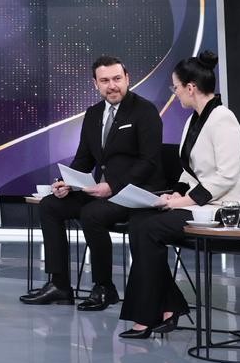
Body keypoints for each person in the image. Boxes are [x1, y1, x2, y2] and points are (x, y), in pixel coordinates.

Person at [117, 50, 240, 338]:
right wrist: (174, 195)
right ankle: (168, 306)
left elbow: (226, 176)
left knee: (149, 228)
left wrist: (184, 201)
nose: (175, 92)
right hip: (203, 205)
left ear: (190, 88)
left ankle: (150, 315)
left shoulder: (223, 119)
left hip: (228, 210)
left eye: (176, 87)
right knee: (139, 222)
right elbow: (190, 171)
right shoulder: (195, 120)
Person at [22, 56, 164, 310]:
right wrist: (66, 182)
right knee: (50, 205)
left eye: (117, 79)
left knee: (92, 214)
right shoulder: (93, 113)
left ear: (127, 79)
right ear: (95, 84)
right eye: (105, 80)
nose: (112, 86)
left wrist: (113, 186)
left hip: (135, 193)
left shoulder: (145, 111)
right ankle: (59, 285)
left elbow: (149, 162)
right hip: (102, 192)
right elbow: (84, 159)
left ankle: (104, 287)